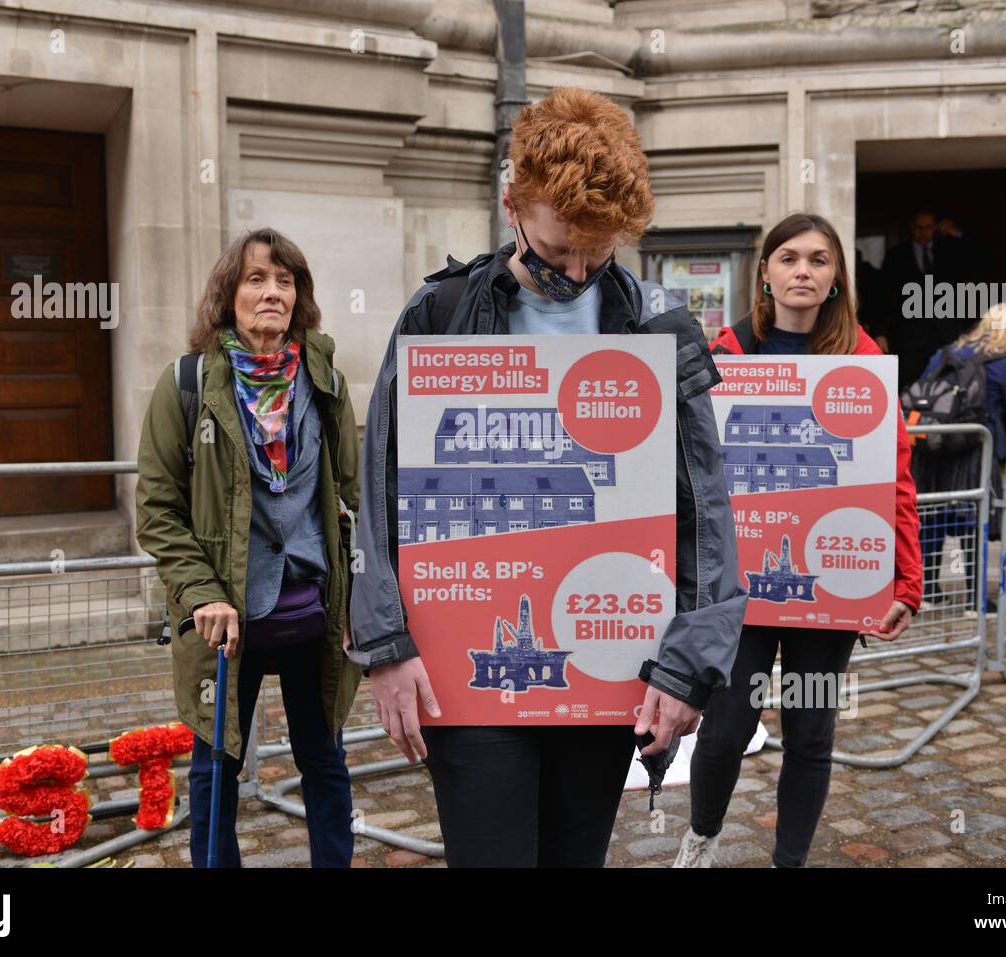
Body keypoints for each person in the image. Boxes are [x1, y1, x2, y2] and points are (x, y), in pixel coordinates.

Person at [347, 86, 748, 868]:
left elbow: (703, 507)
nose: (576, 269)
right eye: (559, 246)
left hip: (608, 663)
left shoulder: (657, 323)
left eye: (595, 253)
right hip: (464, 667)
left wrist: (689, 664)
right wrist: (386, 645)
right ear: (512, 205)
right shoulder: (440, 311)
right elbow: (381, 490)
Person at [677, 212, 923, 868]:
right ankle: (701, 837)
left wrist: (907, 578)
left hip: (828, 580)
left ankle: (791, 861)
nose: (803, 271)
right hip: (741, 585)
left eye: (818, 259)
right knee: (726, 728)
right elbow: (693, 468)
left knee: (811, 731)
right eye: (789, 258)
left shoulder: (862, 357)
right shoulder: (727, 349)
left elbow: (894, 475)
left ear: (837, 274)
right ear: (766, 272)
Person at [136, 227, 361, 867]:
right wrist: (203, 592)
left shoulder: (327, 382)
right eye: (255, 280)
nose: (271, 293)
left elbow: (352, 492)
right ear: (227, 296)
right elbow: (156, 510)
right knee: (216, 769)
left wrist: (366, 597)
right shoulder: (186, 384)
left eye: (284, 281)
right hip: (227, 623)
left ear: (300, 296)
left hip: (314, 612)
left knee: (326, 762)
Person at [912, 303, 1006, 613]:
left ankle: (928, 593)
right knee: (973, 522)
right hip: (975, 450)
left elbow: (925, 393)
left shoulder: (947, 352)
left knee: (933, 518)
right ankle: (976, 600)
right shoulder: (1005, 363)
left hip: (934, 448)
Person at [880, 210, 962, 386]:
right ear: (911, 228)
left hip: (946, 334)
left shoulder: (951, 251)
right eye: (918, 227)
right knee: (909, 389)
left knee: (948, 388)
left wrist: (958, 235)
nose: (923, 232)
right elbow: (882, 296)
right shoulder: (896, 256)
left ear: (935, 228)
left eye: (928, 227)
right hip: (909, 337)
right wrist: (880, 332)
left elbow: (975, 265)